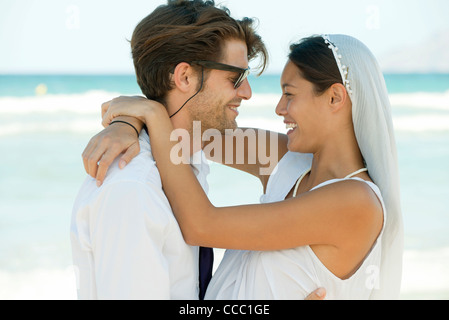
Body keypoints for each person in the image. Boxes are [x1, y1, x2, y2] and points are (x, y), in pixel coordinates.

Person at [92, 34, 404, 299]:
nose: (280, 109)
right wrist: (128, 121)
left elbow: (201, 225)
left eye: (289, 94)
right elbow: (189, 129)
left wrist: (151, 115)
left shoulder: (355, 202)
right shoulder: (286, 159)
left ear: (335, 97)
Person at [72, 0, 323, 300]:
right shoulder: (134, 189)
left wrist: (132, 116)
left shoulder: (188, 155)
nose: (247, 92)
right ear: (185, 77)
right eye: (236, 78)